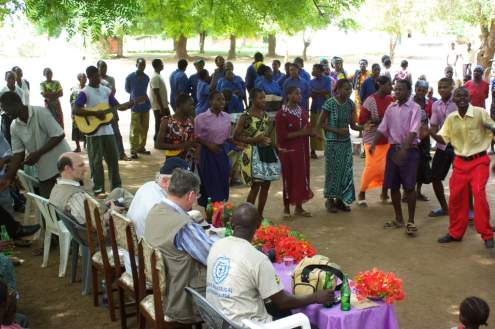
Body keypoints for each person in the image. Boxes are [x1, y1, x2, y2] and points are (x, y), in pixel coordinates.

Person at [206, 203, 335, 328]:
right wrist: (315, 297)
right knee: (306, 322)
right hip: (245, 324)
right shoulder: (258, 259)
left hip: (219, 318)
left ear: (232, 223)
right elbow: (282, 302)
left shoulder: (217, 245)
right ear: (258, 226)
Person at [144, 168, 213, 324]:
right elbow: (212, 257)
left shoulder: (155, 210)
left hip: (166, 290)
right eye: (197, 195)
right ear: (190, 195)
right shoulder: (184, 227)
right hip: (183, 301)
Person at [436, 87, 494, 248]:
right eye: (458, 95)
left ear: (469, 97)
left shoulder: (480, 112)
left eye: (464, 95)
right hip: (460, 162)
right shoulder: (451, 118)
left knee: (478, 192)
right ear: (454, 99)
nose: (461, 97)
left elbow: (493, 128)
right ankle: (455, 233)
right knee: (455, 197)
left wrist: (491, 127)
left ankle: (487, 234)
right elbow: (443, 139)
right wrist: (429, 133)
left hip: (479, 160)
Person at [371, 79, 421, 235]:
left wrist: (404, 149)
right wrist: (373, 143)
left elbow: (414, 131)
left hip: (409, 151)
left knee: (409, 187)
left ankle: (411, 221)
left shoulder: (415, 108)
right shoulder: (391, 108)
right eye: (396, 89)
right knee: (393, 185)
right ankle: (399, 218)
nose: (397, 91)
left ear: (408, 91)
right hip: (393, 150)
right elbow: (382, 127)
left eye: (401, 89)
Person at [75, 66, 132, 197]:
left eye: (98, 76)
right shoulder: (85, 92)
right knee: (96, 162)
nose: (97, 78)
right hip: (93, 132)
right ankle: (98, 189)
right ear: (89, 77)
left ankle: (116, 189)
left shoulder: (106, 90)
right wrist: (94, 112)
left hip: (108, 131)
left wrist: (128, 105)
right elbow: (76, 110)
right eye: (94, 76)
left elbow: (117, 106)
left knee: (113, 160)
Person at [0, 91, 71, 198]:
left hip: (64, 166)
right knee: (48, 208)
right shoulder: (14, 126)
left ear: (16, 104)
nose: (4, 112)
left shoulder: (40, 112)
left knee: (72, 207)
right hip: (45, 172)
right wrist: (8, 177)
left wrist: (37, 153)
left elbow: (59, 135)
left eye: (5, 108)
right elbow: (18, 154)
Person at [49, 152, 133, 225]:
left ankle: (140, 207)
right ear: (67, 168)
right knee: (130, 205)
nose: (85, 169)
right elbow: (95, 225)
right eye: (81, 166)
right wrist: (113, 212)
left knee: (119, 192)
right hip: (105, 232)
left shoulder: (58, 187)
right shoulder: (75, 196)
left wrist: (102, 204)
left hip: (97, 211)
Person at [234, 89, 277, 216]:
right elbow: (236, 136)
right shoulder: (245, 117)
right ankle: (248, 217)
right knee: (256, 186)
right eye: (260, 98)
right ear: (253, 99)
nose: (263, 100)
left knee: (266, 186)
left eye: (264, 98)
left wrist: (275, 146)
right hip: (253, 153)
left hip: (266, 152)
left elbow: (266, 135)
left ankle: (259, 215)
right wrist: (254, 140)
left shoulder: (265, 116)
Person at [320, 79, 361, 212]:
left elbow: (353, 125)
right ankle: (330, 200)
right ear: (337, 89)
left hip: (345, 143)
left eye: (350, 89)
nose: (349, 92)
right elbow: (321, 123)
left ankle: (340, 200)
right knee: (333, 172)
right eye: (346, 89)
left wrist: (364, 127)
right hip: (332, 143)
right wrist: (337, 130)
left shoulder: (350, 104)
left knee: (345, 172)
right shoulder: (330, 103)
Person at [275, 86, 315, 219]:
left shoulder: (302, 111)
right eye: (296, 93)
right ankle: (286, 208)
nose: (299, 96)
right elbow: (282, 136)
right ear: (288, 95)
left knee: (302, 176)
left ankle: (299, 207)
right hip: (289, 151)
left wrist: (311, 133)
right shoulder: (281, 114)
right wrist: (301, 133)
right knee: (289, 177)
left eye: (300, 93)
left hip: (302, 150)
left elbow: (307, 128)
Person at [128, 157, 191, 238]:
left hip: (135, 240)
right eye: (183, 182)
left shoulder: (148, 185)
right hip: (146, 246)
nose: (186, 187)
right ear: (165, 181)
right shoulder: (162, 205)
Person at [357, 75, 393, 206]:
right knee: (372, 167)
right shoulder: (370, 100)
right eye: (389, 85)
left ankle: (384, 193)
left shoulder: (391, 99)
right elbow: (361, 120)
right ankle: (362, 193)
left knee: (386, 168)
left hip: (387, 138)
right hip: (372, 138)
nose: (391, 87)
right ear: (381, 85)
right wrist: (376, 120)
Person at [195, 91, 234, 207]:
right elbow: (196, 137)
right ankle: (210, 214)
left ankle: (218, 212)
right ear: (210, 101)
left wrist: (239, 143)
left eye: (223, 99)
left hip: (221, 152)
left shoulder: (227, 117)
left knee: (222, 181)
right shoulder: (201, 118)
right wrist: (208, 144)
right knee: (210, 183)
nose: (222, 102)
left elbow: (228, 137)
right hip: (207, 154)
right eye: (218, 99)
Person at [0, 132, 40, 239]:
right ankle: (14, 231)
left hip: (1, 179)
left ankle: (9, 240)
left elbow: (9, 154)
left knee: (5, 207)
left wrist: (4, 161)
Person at [428, 78, 457, 217]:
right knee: (435, 177)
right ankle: (445, 208)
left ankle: (469, 210)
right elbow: (433, 125)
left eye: (445, 87)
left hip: (459, 147)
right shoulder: (436, 105)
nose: (442, 90)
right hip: (442, 145)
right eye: (440, 87)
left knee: (463, 179)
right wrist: (433, 134)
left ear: (452, 87)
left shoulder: (458, 102)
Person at [97, 60, 129, 161]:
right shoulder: (94, 80)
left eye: (105, 67)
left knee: (116, 132)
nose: (104, 69)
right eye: (101, 67)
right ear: (97, 67)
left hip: (111, 108)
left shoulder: (110, 79)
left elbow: (112, 92)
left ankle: (121, 153)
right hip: (98, 111)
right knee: (100, 132)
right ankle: (102, 154)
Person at [155, 94, 196, 169]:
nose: (193, 107)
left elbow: (195, 140)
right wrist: (180, 146)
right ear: (181, 105)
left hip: (189, 159)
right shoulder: (167, 121)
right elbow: (158, 144)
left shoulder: (191, 121)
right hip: (173, 160)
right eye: (190, 104)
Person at [125, 58, 151, 159]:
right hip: (135, 105)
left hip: (145, 105)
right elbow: (127, 89)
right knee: (135, 129)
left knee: (145, 127)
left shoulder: (147, 77)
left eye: (143, 65)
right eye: (140, 65)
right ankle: (133, 150)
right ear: (136, 65)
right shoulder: (130, 77)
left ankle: (141, 147)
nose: (142, 67)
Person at [412, 80, 432, 202]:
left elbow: (431, 119)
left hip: (424, 138)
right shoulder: (409, 102)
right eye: (419, 90)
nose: (421, 93)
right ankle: (408, 192)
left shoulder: (429, 103)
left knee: (422, 164)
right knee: (410, 164)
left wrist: (426, 132)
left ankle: (418, 191)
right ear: (415, 89)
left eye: (424, 91)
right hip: (411, 136)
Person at [309, 64, 332, 159]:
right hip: (314, 107)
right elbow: (311, 93)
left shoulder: (327, 79)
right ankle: (313, 151)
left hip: (325, 108)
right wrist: (320, 92)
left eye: (314, 69)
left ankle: (328, 150)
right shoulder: (311, 81)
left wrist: (316, 92)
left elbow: (327, 91)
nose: (313, 71)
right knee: (314, 128)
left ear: (319, 70)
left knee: (327, 129)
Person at [149, 58, 170, 142]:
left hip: (163, 104)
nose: (163, 65)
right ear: (157, 65)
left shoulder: (158, 75)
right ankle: (157, 140)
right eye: (161, 64)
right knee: (160, 123)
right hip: (159, 106)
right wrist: (161, 107)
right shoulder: (155, 77)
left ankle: (159, 140)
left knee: (163, 122)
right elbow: (156, 93)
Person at [69, 73, 87, 153]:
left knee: (87, 128)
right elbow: (72, 101)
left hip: (86, 111)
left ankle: (86, 146)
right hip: (76, 111)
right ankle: (78, 147)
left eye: (86, 77)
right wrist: (72, 112)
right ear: (79, 79)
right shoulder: (75, 89)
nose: (85, 79)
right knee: (75, 128)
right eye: (83, 77)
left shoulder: (88, 88)